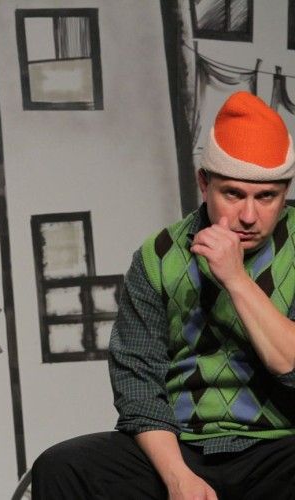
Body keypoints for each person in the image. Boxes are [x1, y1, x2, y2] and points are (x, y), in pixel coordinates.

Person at [32, 91, 295, 499]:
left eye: (266, 197)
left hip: (280, 445)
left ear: (285, 190)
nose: (248, 216)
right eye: (232, 194)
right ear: (204, 183)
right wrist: (177, 477)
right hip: (181, 446)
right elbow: (137, 382)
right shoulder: (158, 255)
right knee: (62, 466)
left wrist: (236, 279)